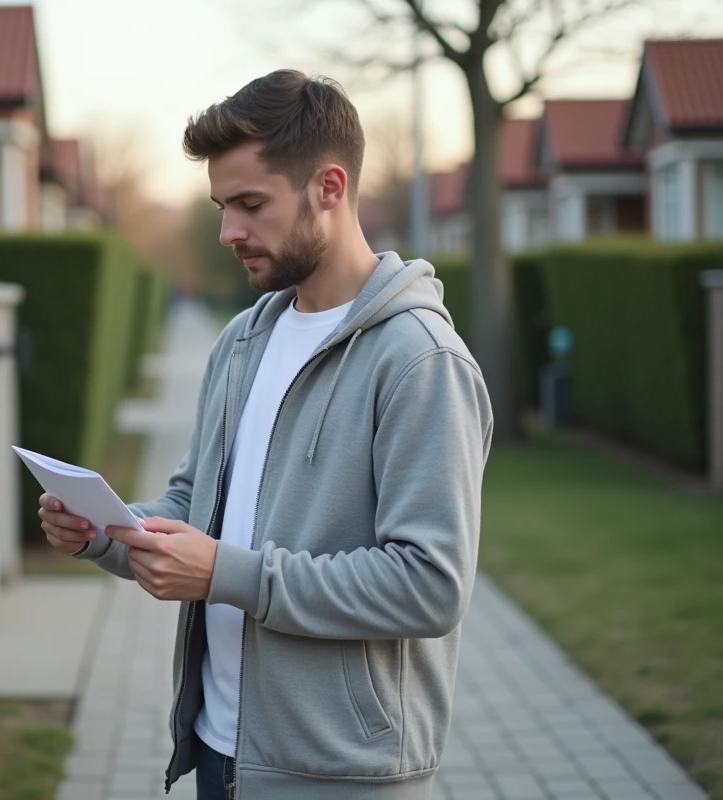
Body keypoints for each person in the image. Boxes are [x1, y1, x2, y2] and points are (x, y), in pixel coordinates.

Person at [38, 69, 493, 800]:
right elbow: (197, 502)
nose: (228, 233)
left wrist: (230, 575)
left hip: (340, 774)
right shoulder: (244, 339)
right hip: (220, 751)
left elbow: (430, 585)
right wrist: (105, 530)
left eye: (251, 204)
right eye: (222, 206)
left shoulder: (418, 361)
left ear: (330, 187)